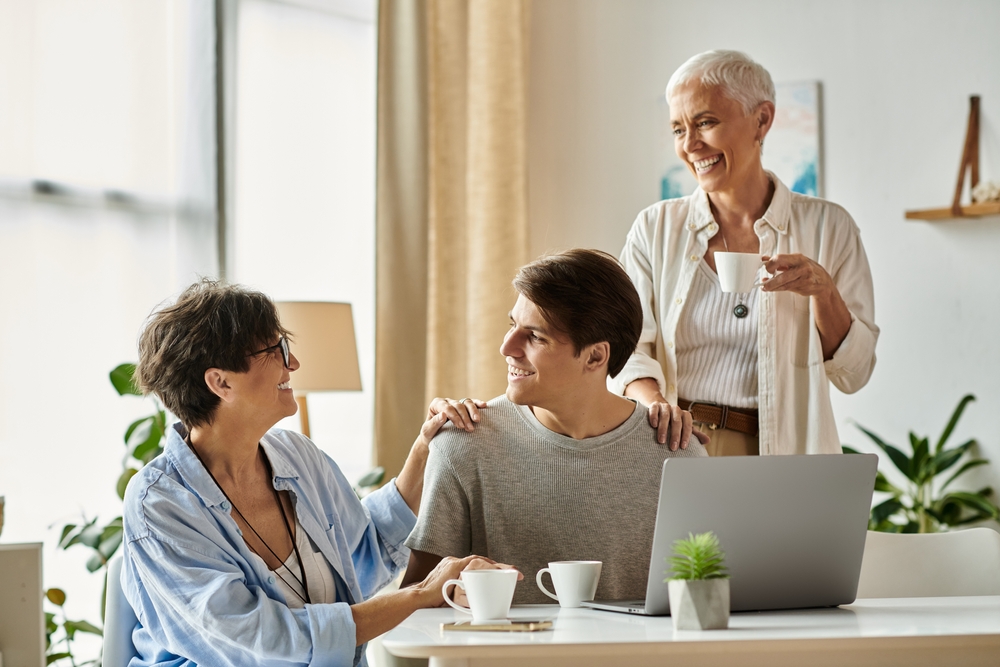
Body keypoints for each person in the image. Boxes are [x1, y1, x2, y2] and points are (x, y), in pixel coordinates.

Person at [121, 280, 508, 667]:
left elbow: (365, 551)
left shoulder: (297, 456)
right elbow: (263, 637)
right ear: (221, 382)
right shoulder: (158, 503)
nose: (293, 364)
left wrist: (426, 447)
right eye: (277, 350)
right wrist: (423, 592)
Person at [402, 249, 707, 604]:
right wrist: (453, 593)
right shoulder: (462, 445)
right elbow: (412, 603)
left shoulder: (677, 455)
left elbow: (708, 605)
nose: (506, 347)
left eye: (534, 336)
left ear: (595, 356)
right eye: (512, 324)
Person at [612, 50, 878, 456]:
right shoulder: (655, 228)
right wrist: (655, 404)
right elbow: (627, 346)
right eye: (678, 129)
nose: (690, 145)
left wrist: (824, 292)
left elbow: (854, 373)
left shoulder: (830, 227)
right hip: (673, 445)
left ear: (762, 119)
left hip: (782, 452)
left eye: (705, 122)